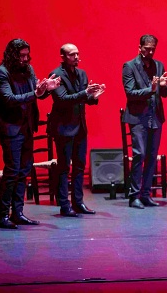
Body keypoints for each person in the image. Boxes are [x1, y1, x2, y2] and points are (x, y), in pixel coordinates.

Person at [0, 38, 61, 229]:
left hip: (27, 125)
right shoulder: (0, 73)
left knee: (23, 171)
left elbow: (36, 93)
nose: (25, 59)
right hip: (10, 127)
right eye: (21, 56)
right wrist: (36, 94)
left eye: (26, 55)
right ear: (12, 55)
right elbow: (8, 99)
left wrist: (47, 89)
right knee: (12, 171)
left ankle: (18, 213)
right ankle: (2, 215)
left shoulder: (28, 70)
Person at [49, 43, 105, 217]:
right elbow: (63, 99)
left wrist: (93, 97)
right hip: (64, 128)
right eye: (72, 54)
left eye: (77, 54)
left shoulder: (82, 74)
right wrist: (84, 93)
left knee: (80, 166)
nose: (76, 57)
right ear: (63, 57)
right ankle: (64, 205)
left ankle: (78, 202)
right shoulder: (56, 75)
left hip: (80, 127)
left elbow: (83, 98)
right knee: (64, 167)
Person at [122, 34, 167, 209]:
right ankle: (133, 196)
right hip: (137, 117)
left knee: (151, 156)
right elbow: (130, 93)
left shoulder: (158, 65)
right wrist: (152, 89)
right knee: (139, 154)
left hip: (154, 116)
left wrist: (163, 86)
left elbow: (164, 94)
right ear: (139, 48)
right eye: (146, 48)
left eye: (152, 49)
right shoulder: (129, 66)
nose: (150, 52)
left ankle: (145, 194)